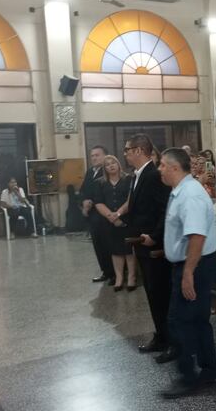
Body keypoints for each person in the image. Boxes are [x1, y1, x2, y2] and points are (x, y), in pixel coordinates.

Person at [158, 148, 216, 399]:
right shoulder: (182, 191)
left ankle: (188, 376)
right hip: (195, 263)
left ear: (175, 168)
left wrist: (187, 274)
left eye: (163, 165)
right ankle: (210, 369)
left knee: (179, 321)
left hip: (196, 265)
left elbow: (197, 235)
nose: (159, 169)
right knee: (197, 320)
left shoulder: (190, 195)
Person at [122, 134, 175, 363]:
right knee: (153, 295)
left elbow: (165, 209)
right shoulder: (138, 176)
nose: (125, 154)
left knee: (161, 294)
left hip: (154, 246)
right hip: (141, 244)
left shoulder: (153, 175)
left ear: (140, 150)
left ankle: (173, 341)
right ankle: (161, 336)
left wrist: (154, 236)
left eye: (127, 149)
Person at [93, 155, 136, 292]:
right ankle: (118, 278)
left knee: (129, 249)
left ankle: (131, 277)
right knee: (115, 250)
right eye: (107, 164)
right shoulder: (100, 183)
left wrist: (118, 214)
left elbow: (131, 199)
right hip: (109, 221)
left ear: (118, 164)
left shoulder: (129, 179)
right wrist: (111, 217)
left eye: (113, 163)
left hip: (127, 219)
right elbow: (98, 202)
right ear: (104, 168)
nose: (111, 166)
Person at [81, 146, 114, 285]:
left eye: (97, 155)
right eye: (92, 155)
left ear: (105, 156)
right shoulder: (90, 172)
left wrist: (93, 201)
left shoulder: (107, 171)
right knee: (98, 244)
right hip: (92, 215)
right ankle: (105, 271)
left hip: (104, 213)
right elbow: (83, 190)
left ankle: (114, 273)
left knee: (108, 244)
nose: (94, 158)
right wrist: (84, 202)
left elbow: (106, 192)